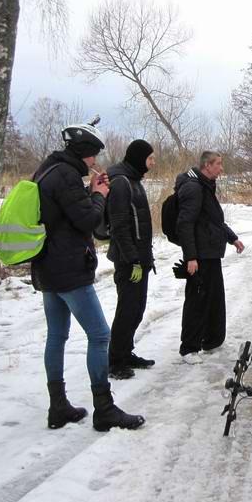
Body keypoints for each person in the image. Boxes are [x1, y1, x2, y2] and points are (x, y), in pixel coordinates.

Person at [32, 122, 145, 432]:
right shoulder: (67, 175)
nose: (95, 162)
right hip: (68, 269)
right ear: (84, 153)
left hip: (46, 268)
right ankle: (104, 408)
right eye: (94, 156)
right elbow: (87, 219)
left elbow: (62, 211)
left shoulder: (49, 169)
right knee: (99, 335)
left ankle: (58, 406)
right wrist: (99, 196)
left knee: (57, 336)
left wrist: (89, 192)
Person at [175, 151, 244, 363]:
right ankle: (189, 348)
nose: (222, 168)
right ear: (207, 165)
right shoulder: (194, 188)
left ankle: (211, 340)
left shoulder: (205, 186)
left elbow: (213, 220)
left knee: (213, 299)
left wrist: (232, 239)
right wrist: (191, 257)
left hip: (211, 252)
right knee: (197, 301)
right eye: (219, 164)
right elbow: (184, 224)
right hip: (200, 255)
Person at [106, 139, 156, 379]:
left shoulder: (134, 180)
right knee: (127, 310)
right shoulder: (121, 182)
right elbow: (120, 226)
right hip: (129, 261)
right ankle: (115, 361)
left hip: (140, 258)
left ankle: (126, 352)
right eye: (150, 158)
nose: (153, 163)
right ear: (139, 158)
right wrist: (133, 259)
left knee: (137, 309)